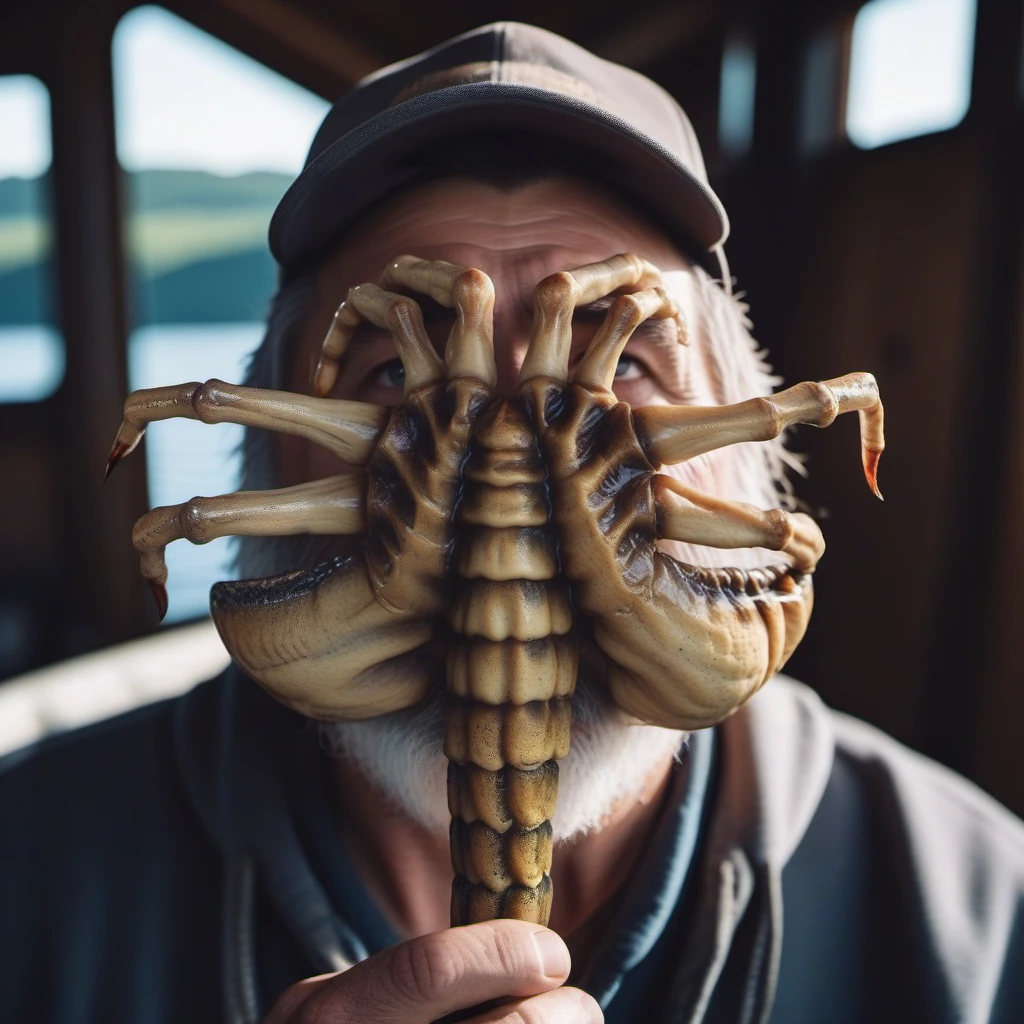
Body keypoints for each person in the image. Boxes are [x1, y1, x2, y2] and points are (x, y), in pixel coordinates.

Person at [2, 22, 1024, 1024]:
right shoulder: (28, 867)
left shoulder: (981, 915)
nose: (514, 435)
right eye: (397, 373)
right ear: (269, 448)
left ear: (755, 465)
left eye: (626, 362)